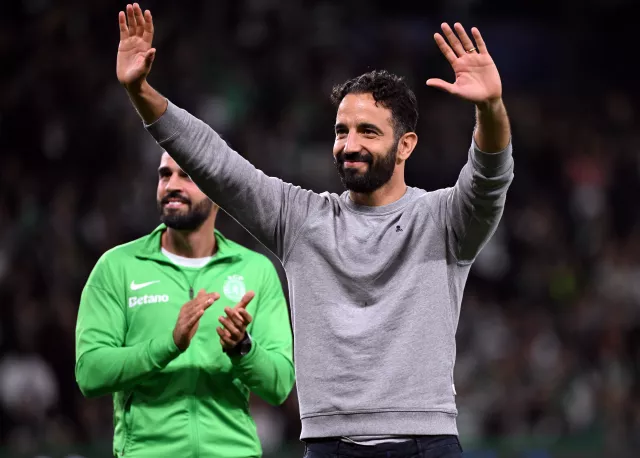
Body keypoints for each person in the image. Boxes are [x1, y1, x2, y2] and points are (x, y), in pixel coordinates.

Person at [116, 4, 513, 457]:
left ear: (406, 145)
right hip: (328, 444)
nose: (350, 145)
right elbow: (217, 165)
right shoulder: (302, 219)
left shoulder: (443, 220)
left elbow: (488, 179)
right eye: (342, 131)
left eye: (368, 131)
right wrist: (141, 92)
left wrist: (491, 107)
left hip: (426, 441)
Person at [74, 151, 295, 458]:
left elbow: (280, 385)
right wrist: (168, 344)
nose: (171, 185)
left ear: (219, 190)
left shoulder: (256, 271)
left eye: (187, 175)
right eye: (165, 175)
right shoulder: (117, 267)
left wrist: (242, 348)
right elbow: (90, 373)